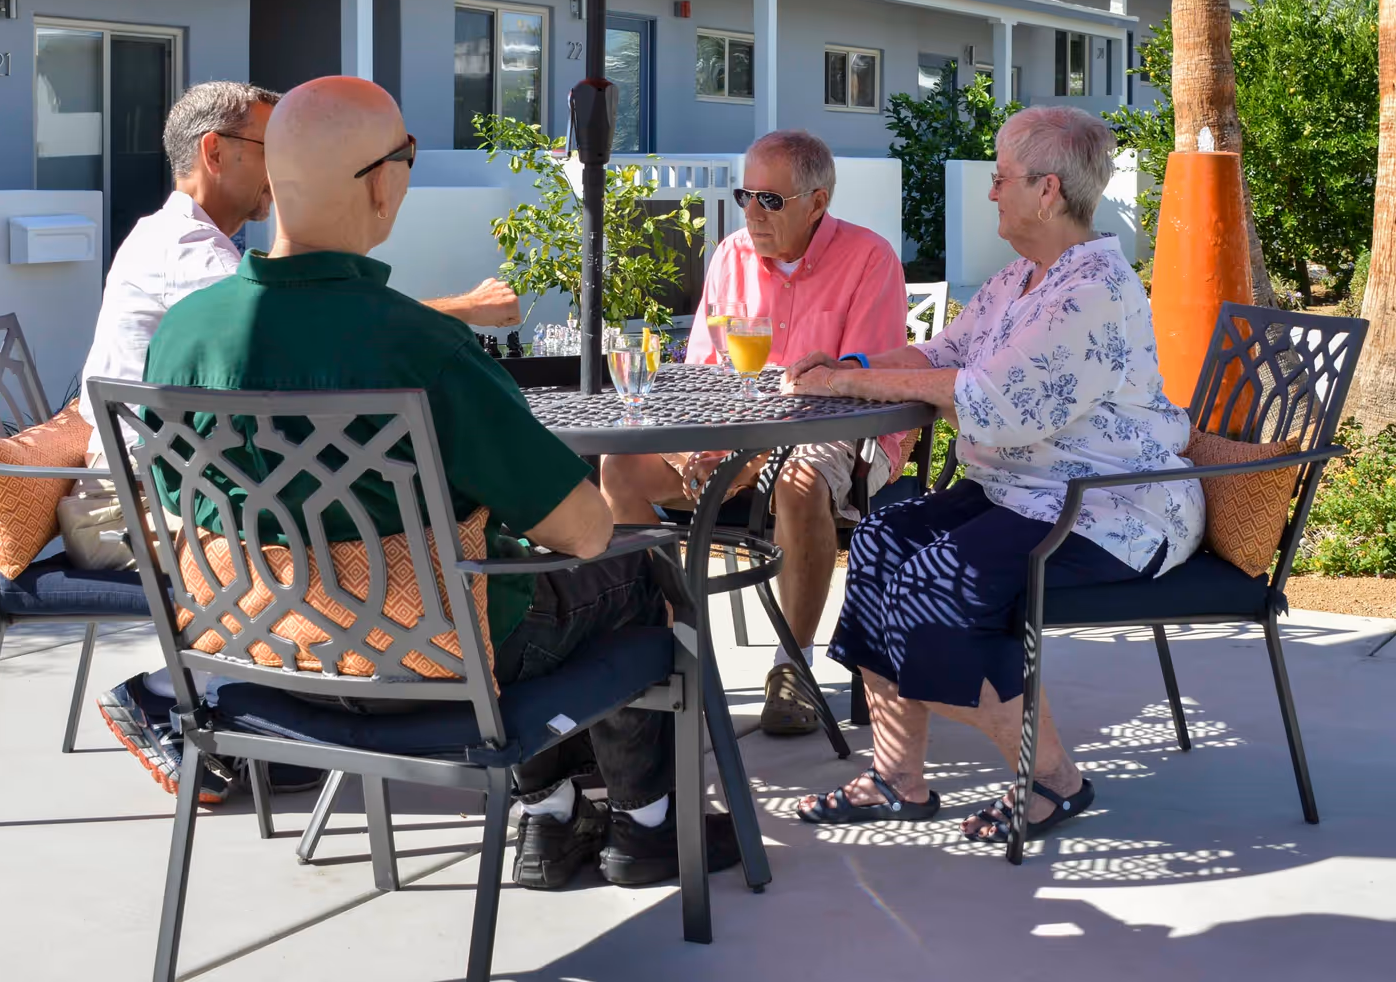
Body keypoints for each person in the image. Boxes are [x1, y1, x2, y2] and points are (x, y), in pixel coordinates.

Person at [140, 76, 742, 891]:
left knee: (516, 592)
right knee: (632, 575)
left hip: (265, 657)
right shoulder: (419, 345)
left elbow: (182, 506)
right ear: (382, 182)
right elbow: (584, 530)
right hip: (430, 663)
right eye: (408, 158)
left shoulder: (183, 335)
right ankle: (647, 827)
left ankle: (555, 815)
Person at [83, 80, 521, 806]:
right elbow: (301, 318)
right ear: (214, 152)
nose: (285, 171)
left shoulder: (191, 246)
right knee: (361, 538)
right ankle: (169, 691)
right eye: (271, 148)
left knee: (330, 522)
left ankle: (295, 719)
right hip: (141, 506)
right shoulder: (185, 250)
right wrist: (461, 311)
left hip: (197, 491)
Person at [784, 107, 1201, 845]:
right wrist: (846, 367)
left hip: (1106, 507)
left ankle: (1054, 780)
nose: (990, 193)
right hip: (1020, 491)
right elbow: (941, 355)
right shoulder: (1022, 278)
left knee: (936, 585)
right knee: (881, 541)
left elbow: (987, 399)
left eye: (1000, 179)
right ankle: (897, 778)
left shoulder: (1091, 290)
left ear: (1047, 191)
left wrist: (850, 388)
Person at [600, 129, 907, 737]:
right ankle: (661, 643)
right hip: (734, 432)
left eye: (770, 200)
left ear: (817, 202)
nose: (751, 213)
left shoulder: (870, 259)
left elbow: (856, 389)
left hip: (834, 428)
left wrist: (750, 454)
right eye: (746, 195)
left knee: (797, 481)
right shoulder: (731, 256)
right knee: (620, 466)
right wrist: (698, 448)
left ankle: (792, 663)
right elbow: (699, 376)